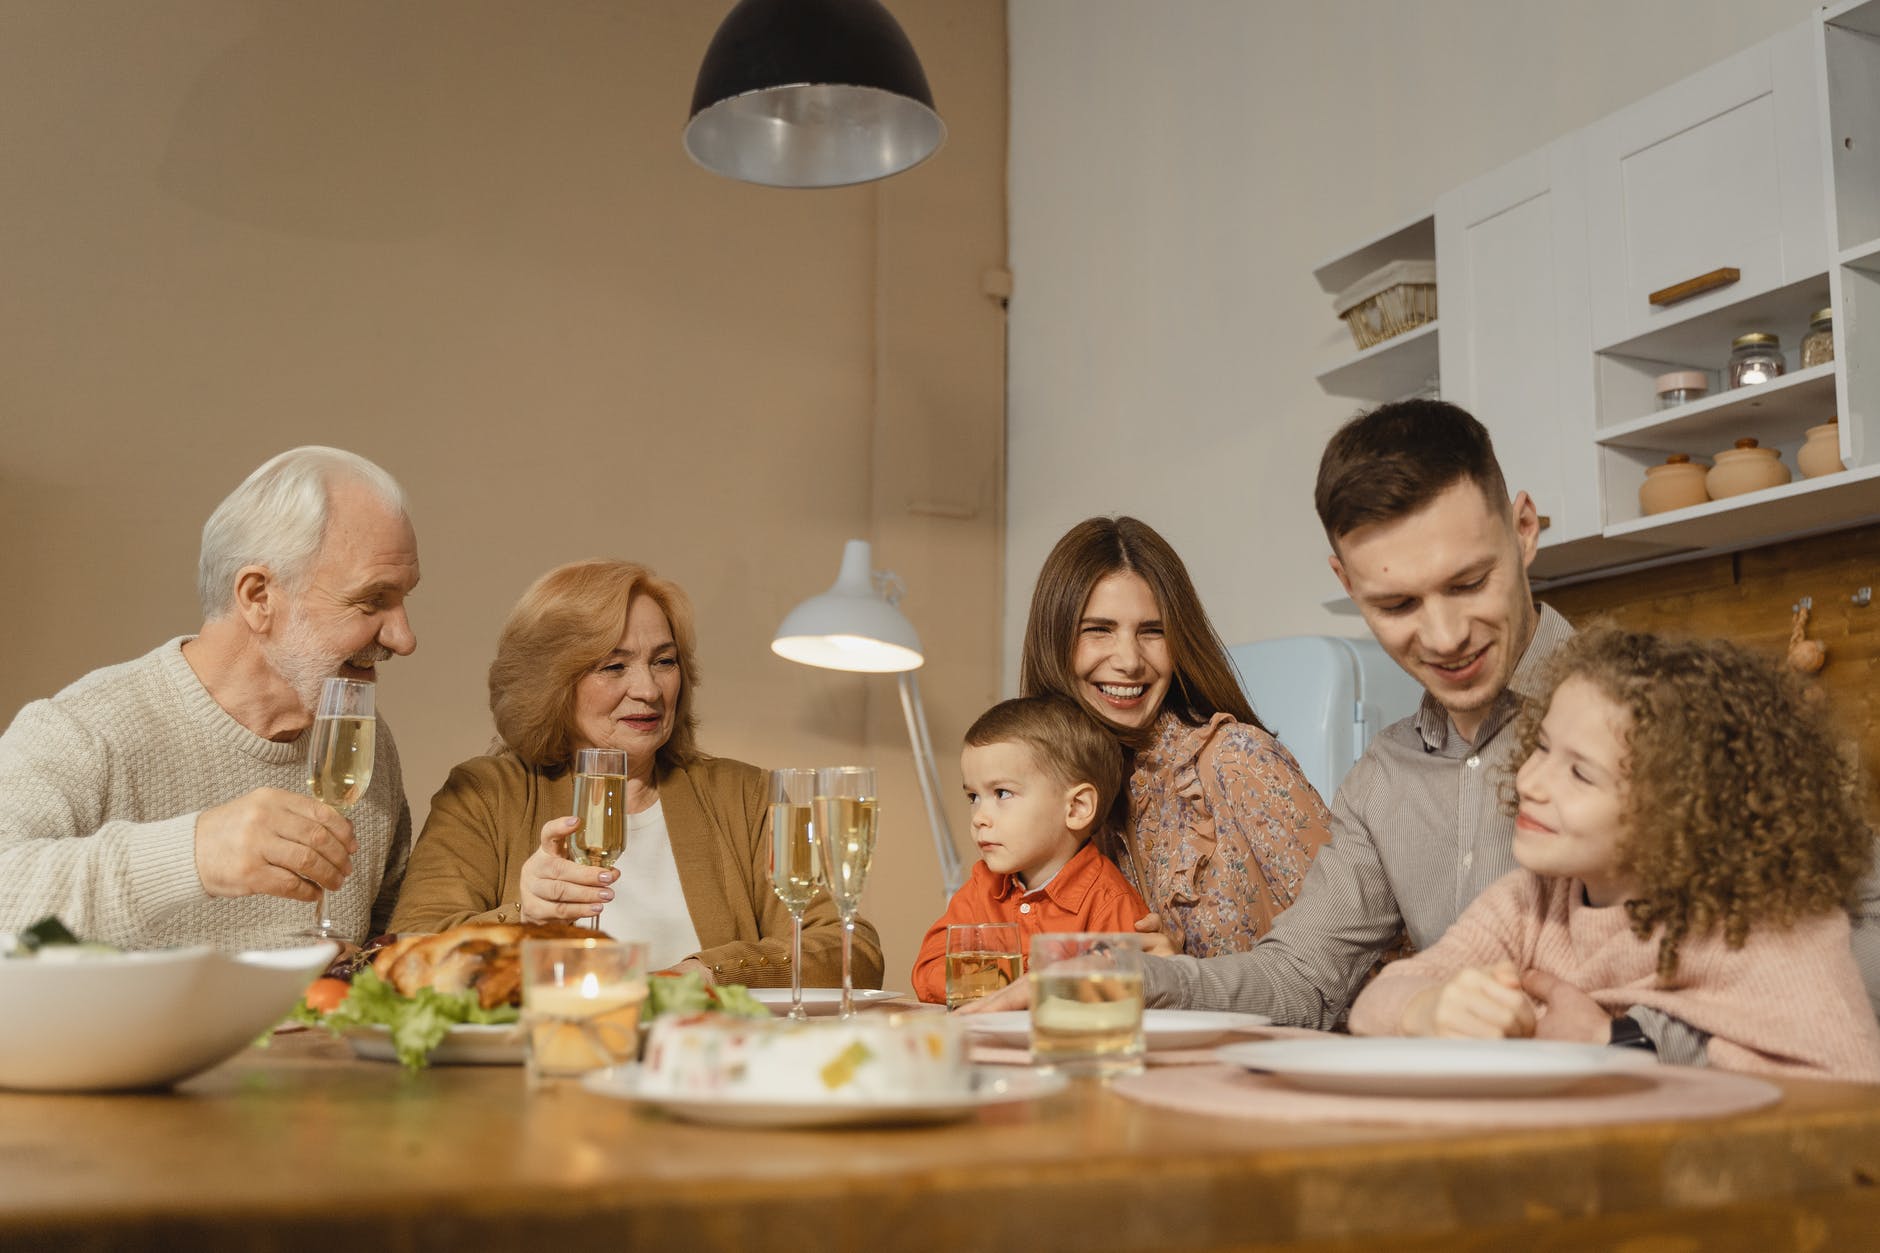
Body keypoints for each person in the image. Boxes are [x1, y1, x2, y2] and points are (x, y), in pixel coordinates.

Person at [1043, 400, 1880, 1055]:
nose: (1443, 637)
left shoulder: (1656, 721)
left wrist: (1630, 1040)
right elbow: (1304, 977)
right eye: (1396, 604)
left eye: (1468, 581)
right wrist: (1120, 978)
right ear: (1345, 582)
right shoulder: (1383, 781)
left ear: (1523, 531)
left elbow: (1855, 932)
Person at [1349, 629, 1880, 1082]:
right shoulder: (1529, 901)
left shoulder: (1762, 924)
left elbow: (1846, 1088)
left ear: (1681, 812)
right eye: (1540, 747)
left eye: (1581, 773)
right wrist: (1430, 1010)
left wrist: (1617, 1042)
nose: (1529, 781)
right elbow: (1374, 1007)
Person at [390, 559, 883, 988]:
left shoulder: (746, 795)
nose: (648, 689)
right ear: (553, 681)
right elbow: (409, 952)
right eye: (613, 666)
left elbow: (849, 948)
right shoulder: (484, 795)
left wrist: (705, 976)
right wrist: (524, 915)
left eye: (664, 661)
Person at [0, 447, 419, 949]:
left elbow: (390, 943)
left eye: (403, 599)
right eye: (373, 600)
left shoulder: (362, 744)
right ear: (258, 596)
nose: (403, 637)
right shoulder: (84, 730)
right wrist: (193, 854)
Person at [1018, 516, 1333, 958]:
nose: (1129, 660)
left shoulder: (1238, 759)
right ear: (1054, 641)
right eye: (1099, 630)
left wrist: (1183, 976)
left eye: (1153, 631)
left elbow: (1365, 954)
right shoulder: (1062, 793)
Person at [910, 696, 1168, 1004]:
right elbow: (928, 971)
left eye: (1002, 793)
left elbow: (1125, 998)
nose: (979, 817)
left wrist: (997, 982)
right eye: (973, 797)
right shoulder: (983, 886)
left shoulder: (1109, 904)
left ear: (1077, 807)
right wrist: (1017, 982)